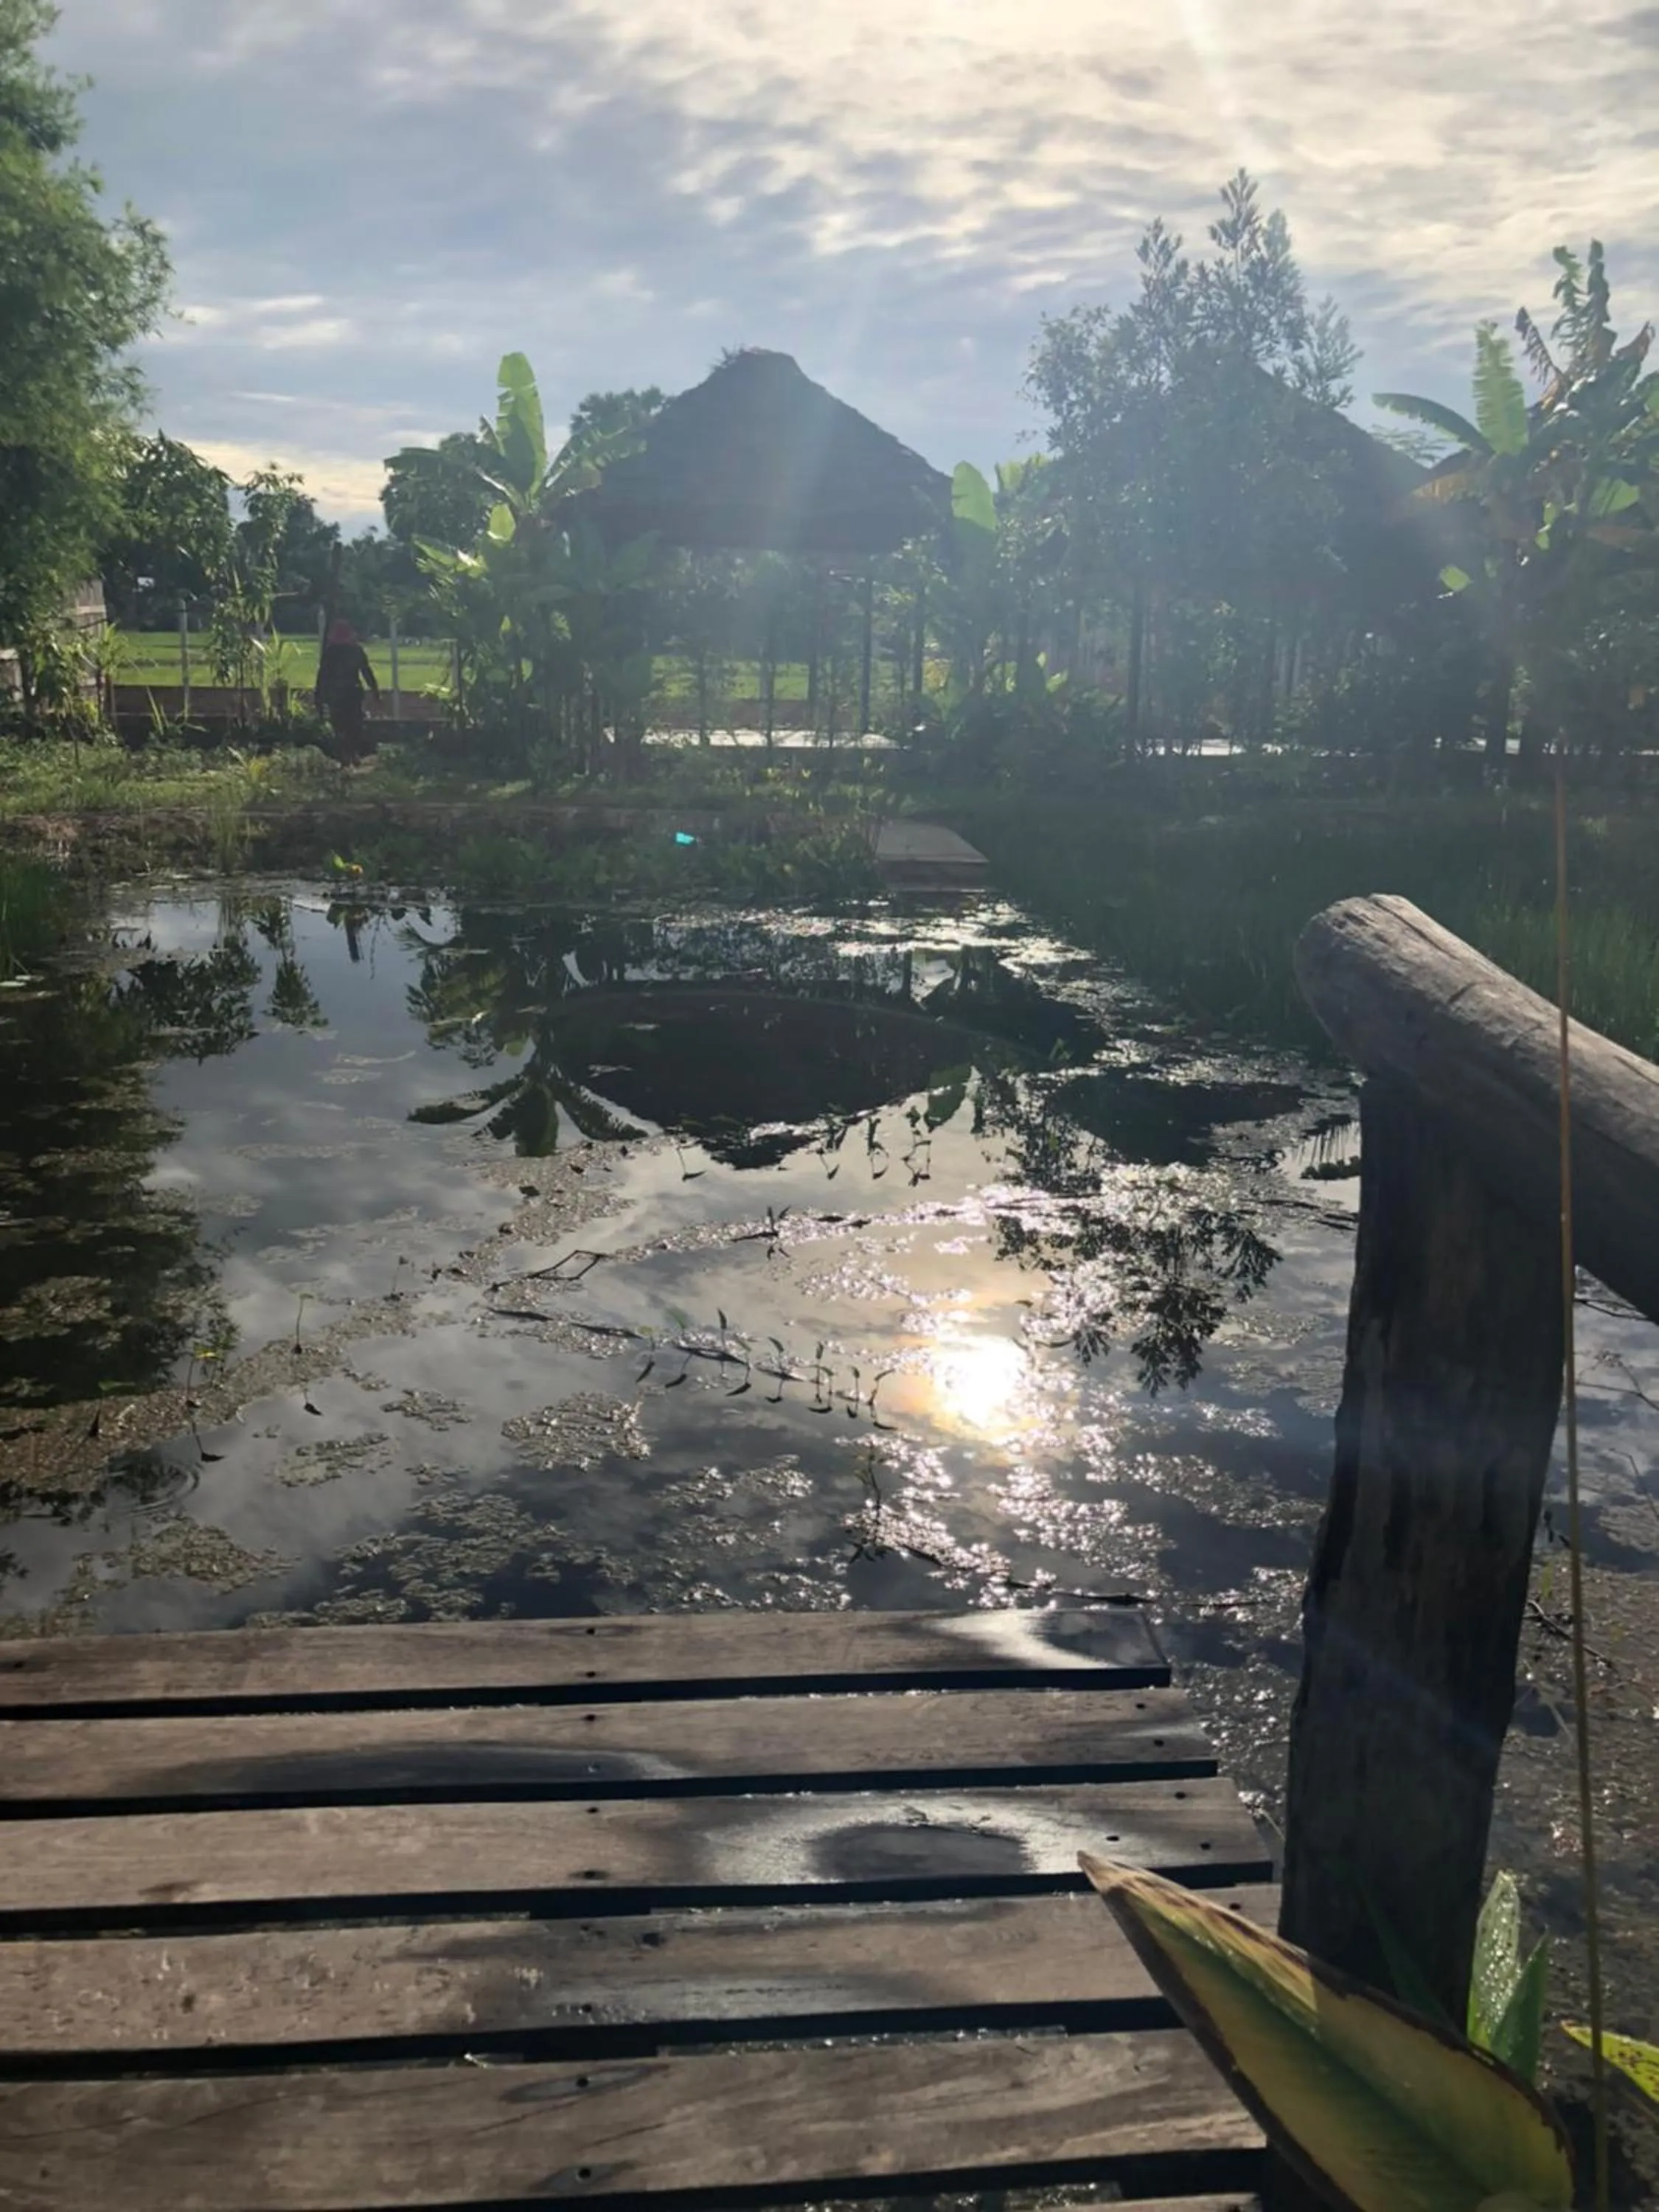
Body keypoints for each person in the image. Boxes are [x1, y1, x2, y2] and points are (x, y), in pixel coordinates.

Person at [314, 619, 380, 762]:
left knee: (340, 725)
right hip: (353, 692)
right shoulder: (356, 651)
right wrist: (375, 691)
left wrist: (319, 697)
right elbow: (367, 672)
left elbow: (323, 676)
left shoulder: (330, 653)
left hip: (336, 694)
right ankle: (353, 753)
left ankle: (345, 754)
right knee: (354, 724)